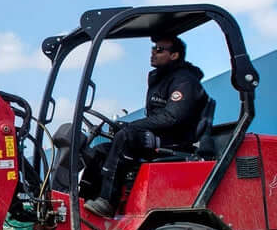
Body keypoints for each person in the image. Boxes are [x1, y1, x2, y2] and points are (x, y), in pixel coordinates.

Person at [83, 35, 208, 218]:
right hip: (160, 135)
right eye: (153, 48)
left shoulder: (185, 81)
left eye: (159, 49)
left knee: (126, 136)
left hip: (175, 141)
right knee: (101, 149)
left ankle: (108, 201)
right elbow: (155, 118)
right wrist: (126, 126)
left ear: (174, 55)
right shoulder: (161, 79)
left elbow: (172, 117)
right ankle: (84, 199)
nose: (153, 52)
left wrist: (133, 126)